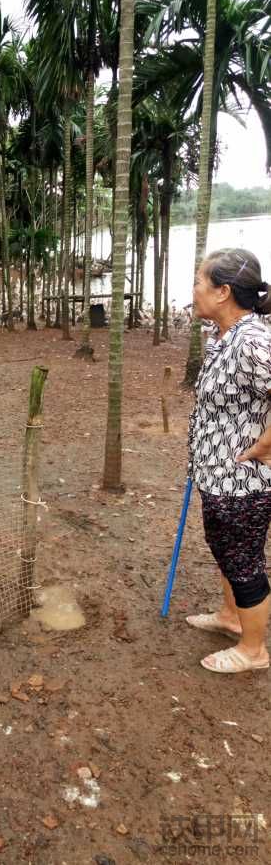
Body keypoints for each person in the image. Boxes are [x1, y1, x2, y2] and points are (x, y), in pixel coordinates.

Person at [186, 248, 271, 673]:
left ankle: (253, 651)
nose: (193, 291)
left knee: (244, 560)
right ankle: (231, 616)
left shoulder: (253, 341)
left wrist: (264, 446)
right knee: (225, 548)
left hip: (244, 480)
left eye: (199, 283)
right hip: (217, 473)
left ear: (222, 292)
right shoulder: (223, 335)